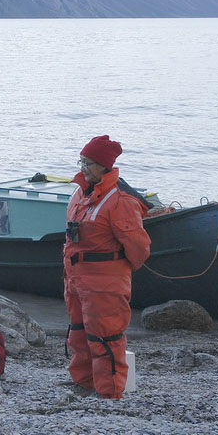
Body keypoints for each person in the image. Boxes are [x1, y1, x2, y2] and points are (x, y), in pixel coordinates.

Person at [64, 135, 151, 399]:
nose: (83, 167)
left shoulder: (120, 200)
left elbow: (138, 248)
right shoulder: (81, 192)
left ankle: (109, 393)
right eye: (82, 161)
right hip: (76, 280)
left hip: (104, 283)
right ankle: (84, 383)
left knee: (106, 339)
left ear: (104, 166)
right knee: (78, 336)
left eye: (89, 163)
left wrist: (116, 273)